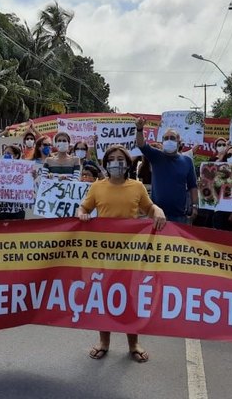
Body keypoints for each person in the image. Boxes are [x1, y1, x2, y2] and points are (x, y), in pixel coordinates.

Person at [77, 145, 166, 363]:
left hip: (131, 255)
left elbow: (150, 207)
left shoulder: (137, 187)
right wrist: (82, 214)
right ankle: (104, 342)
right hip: (103, 254)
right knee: (103, 298)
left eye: (120, 158)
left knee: (130, 298)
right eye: (112, 159)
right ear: (106, 163)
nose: (116, 162)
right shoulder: (97, 187)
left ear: (127, 163)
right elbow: (83, 208)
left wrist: (158, 210)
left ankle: (133, 343)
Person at [135, 117, 198, 224]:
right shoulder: (156, 156)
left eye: (172, 138)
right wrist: (140, 129)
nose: (169, 140)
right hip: (157, 214)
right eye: (166, 138)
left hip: (180, 216)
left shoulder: (187, 161)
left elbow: (193, 186)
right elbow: (141, 144)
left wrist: (195, 206)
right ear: (162, 141)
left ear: (179, 141)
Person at [0, 145, 29, 220]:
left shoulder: (22, 170)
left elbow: (26, 186)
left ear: (16, 156)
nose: (6, 155)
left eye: (8, 153)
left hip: (17, 209)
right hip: (0, 209)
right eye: (5, 153)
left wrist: (32, 177)